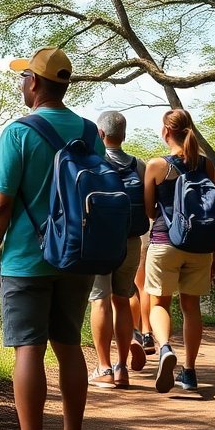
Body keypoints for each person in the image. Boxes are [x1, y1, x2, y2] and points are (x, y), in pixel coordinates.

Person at [0, 47, 98, 430]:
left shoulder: (20, 133)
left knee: (28, 348)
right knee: (68, 344)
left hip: (28, 259)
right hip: (77, 256)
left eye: (23, 76)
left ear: (34, 83)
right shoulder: (88, 129)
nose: (21, 83)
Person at [143, 109, 215, 393]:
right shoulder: (206, 165)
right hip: (200, 247)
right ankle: (189, 372)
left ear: (166, 132)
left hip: (165, 242)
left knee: (159, 304)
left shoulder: (156, 166)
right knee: (192, 309)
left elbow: (150, 210)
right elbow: (214, 212)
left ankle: (164, 348)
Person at [87, 110, 147, 390]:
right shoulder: (140, 165)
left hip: (100, 241)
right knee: (122, 300)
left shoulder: (93, 162)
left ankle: (104, 367)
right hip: (131, 241)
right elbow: (149, 208)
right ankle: (122, 368)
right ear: (123, 136)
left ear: (101, 134)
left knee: (99, 300)